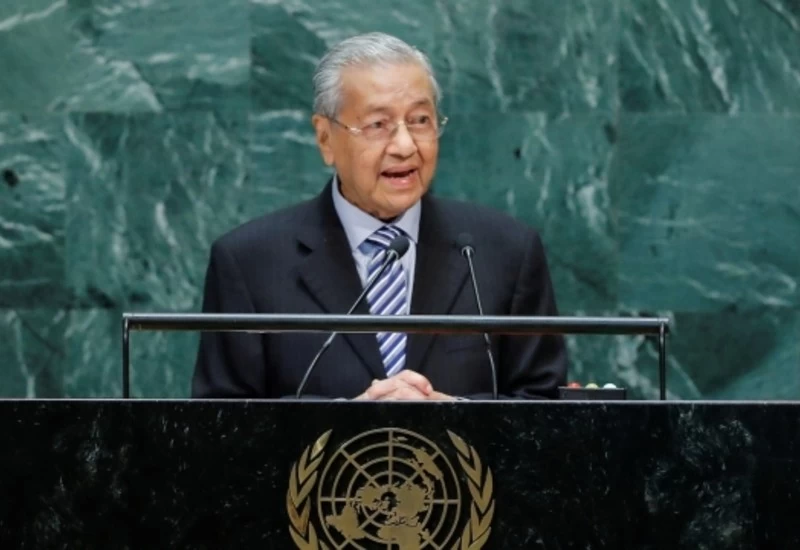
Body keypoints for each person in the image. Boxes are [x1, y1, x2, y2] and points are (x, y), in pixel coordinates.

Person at [192, 32, 567, 400]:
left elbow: (544, 407)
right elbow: (220, 425)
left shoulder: (506, 252)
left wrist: (456, 416)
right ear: (325, 138)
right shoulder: (250, 262)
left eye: (420, 120)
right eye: (377, 125)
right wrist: (345, 426)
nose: (405, 146)